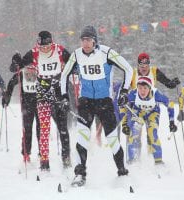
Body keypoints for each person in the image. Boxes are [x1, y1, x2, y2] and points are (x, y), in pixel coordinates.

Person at [60, 25, 133, 187]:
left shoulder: (106, 53)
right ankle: (80, 174)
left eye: (89, 40)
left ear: (95, 41)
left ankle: (122, 172)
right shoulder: (77, 55)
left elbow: (128, 69)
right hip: (85, 102)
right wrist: (65, 96)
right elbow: (64, 75)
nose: (85, 43)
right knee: (82, 137)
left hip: (104, 102)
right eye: (83, 40)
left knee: (113, 139)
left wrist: (124, 92)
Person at [10, 31, 71, 170]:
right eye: (42, 46)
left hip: (58, 91)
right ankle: (44, 161)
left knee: (62, 127)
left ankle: (66, 157)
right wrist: (16, 62)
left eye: (47, 46)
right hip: (42, 92)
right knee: (44, 128)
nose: (44, 49)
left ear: (51, 43)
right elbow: (18, 67)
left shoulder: (60, 51)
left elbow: (73, 62)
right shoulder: (34, 52)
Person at [122, 52, 180, 157]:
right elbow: (124, 90)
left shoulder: (154, 71)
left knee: (151, 134)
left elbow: (167, 83)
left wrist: (172, 83)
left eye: (146, 65)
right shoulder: (133, 73)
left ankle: (151, 157)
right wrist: (125, 122)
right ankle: (134, 159)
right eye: (141, 66)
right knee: (134, 133)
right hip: (136, 108)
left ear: (149, 64)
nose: (144, 68)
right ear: (138, 65)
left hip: (152, 107)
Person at [121, 77, 177, 164]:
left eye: (145, 88)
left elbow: (170, 105)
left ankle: (158, 161)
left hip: (152, 113)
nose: (142, 91)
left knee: (152, 133)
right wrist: (124, 124)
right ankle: (132, 160)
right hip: (138, 113)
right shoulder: (133, 93)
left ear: (150, 88)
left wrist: (172, 122)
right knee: (134, 132)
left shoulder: (156, 94)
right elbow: (123, 105)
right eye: (140, 88)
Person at [2, 65, 40, 162]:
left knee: (41, 130)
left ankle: (42, 152)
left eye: (33, 69)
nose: (30, 72)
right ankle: (26, 153)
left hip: (40, 104)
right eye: (29, 69)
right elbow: (11, 83)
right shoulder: (21, 74)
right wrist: (7, 97)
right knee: (27, 130)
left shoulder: (40, 72)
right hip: (27, 106)